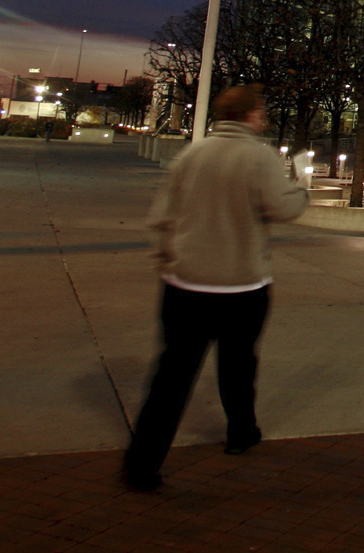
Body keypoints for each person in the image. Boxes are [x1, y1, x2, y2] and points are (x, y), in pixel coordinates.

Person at [123, 85, 309, 491]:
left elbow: (161, 218)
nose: (262, 118)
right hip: (242, 287)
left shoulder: (192, 154)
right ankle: (241, 433)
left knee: (171, 377)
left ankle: (142, 464)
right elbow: (283, 207)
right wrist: (302, 188)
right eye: (260, 111)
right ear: (247, 115)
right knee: (238, 365)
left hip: (184, 285)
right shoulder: (258, 156)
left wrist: (170, 260)